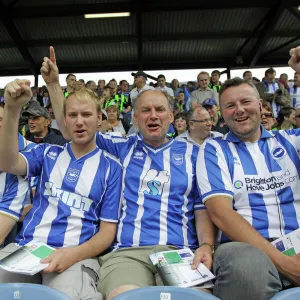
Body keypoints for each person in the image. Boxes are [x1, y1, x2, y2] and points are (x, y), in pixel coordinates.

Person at [41, 47, 215, 300]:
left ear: (171, 116)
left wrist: (206, 246)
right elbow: (72, 132)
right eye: (145, 110)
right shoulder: (121, 148)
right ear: (134, 118)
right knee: (126, 297)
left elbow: (202, 208)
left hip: (180, 251)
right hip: (127, 253)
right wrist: (54, 85)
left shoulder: (194, 153)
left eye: (159, 110)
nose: (153, 115)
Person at [0, 80, 123, 300]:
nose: (79, 122)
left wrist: (72, 255)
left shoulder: (112, 168)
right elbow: (9, 163)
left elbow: (107, 233)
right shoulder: (47, 153)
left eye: (86, 115)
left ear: (99, 119)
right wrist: (11, 110)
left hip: (74, 256)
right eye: (73, 115)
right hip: (28, 249)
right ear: (63, 120)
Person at [197, 72, 300, 300]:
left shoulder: (292, 140)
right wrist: (285, 263)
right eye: (230, 106)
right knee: (247, 270)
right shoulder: (214, 149)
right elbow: (220, 213)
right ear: (222, 114)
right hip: (245, 248)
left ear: (261, 105)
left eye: (246, 102)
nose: (239, 109)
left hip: (297, 240)